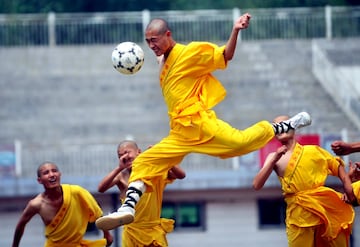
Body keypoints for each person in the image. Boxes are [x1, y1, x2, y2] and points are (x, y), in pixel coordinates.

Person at [95, 13, 312, 230]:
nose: (151, 46)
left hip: (199, 124)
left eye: (154, 40)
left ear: (168, 35)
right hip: (179, 133)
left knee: (241, 143)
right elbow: (164, 62)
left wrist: (235, 30)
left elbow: (225, 55)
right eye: (147, 42)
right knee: (144, 162)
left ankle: (283, 126)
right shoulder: (163, 60)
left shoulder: (190, 52)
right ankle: (128, 208)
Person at [252, 115, 356, 247]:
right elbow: (256, 184)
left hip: (322, 208)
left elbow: (337, 166)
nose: (281, 128)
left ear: (294, 127)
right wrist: (274, 159)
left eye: (285, 124)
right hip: (297, 215)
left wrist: (348, 183)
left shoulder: (313, 151)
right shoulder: (273, 157)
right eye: (276, 126)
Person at [97, 140, 186, 246]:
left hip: (152, 230)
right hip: (132, 231)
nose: (125, 157)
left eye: (127, 152)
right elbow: (101, 188)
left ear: (138, 152)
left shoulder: (154, 170)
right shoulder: (122, 176)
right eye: (120, 155)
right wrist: (119, 167)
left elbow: (181, 175)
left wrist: (162, 156)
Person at [12, 161, 113, 247]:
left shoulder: (76, 192)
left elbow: (96, 211)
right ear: (39, 180)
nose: (52, 174)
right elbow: (20, 225)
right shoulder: (36, 204)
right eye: (46, 173)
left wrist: (107, 234)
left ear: (60, 174)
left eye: (54, 171)